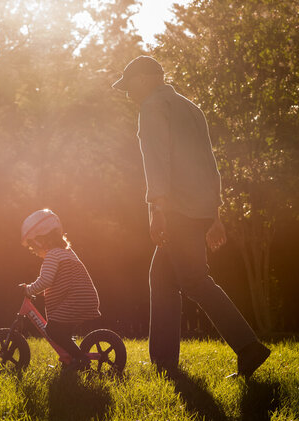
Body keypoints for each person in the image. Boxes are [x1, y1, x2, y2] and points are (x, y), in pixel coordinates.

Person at [112, 55, 271, 378]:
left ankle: (248, 346)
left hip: (176, 209)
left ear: (143, 78)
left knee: (195, 281)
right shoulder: (190, 108)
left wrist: (158, 209)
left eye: (128, 85)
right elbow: (209, 164)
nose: (127, 93)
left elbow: (157, 162)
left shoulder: (153, 108)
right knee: (162, 280)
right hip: (198, 209)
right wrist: (214, 214)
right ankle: (164, 363)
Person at [19, 209, 101, 369]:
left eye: (33, 247)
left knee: (53, 329)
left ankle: (80, 360)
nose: (34, 251)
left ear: (42, 241)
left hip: (76, 300)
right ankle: (70, 359)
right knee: (63, 333)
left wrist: (28, 290)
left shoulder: (53, 255)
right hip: (84, 298)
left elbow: (45, 280)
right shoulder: (67, 252)